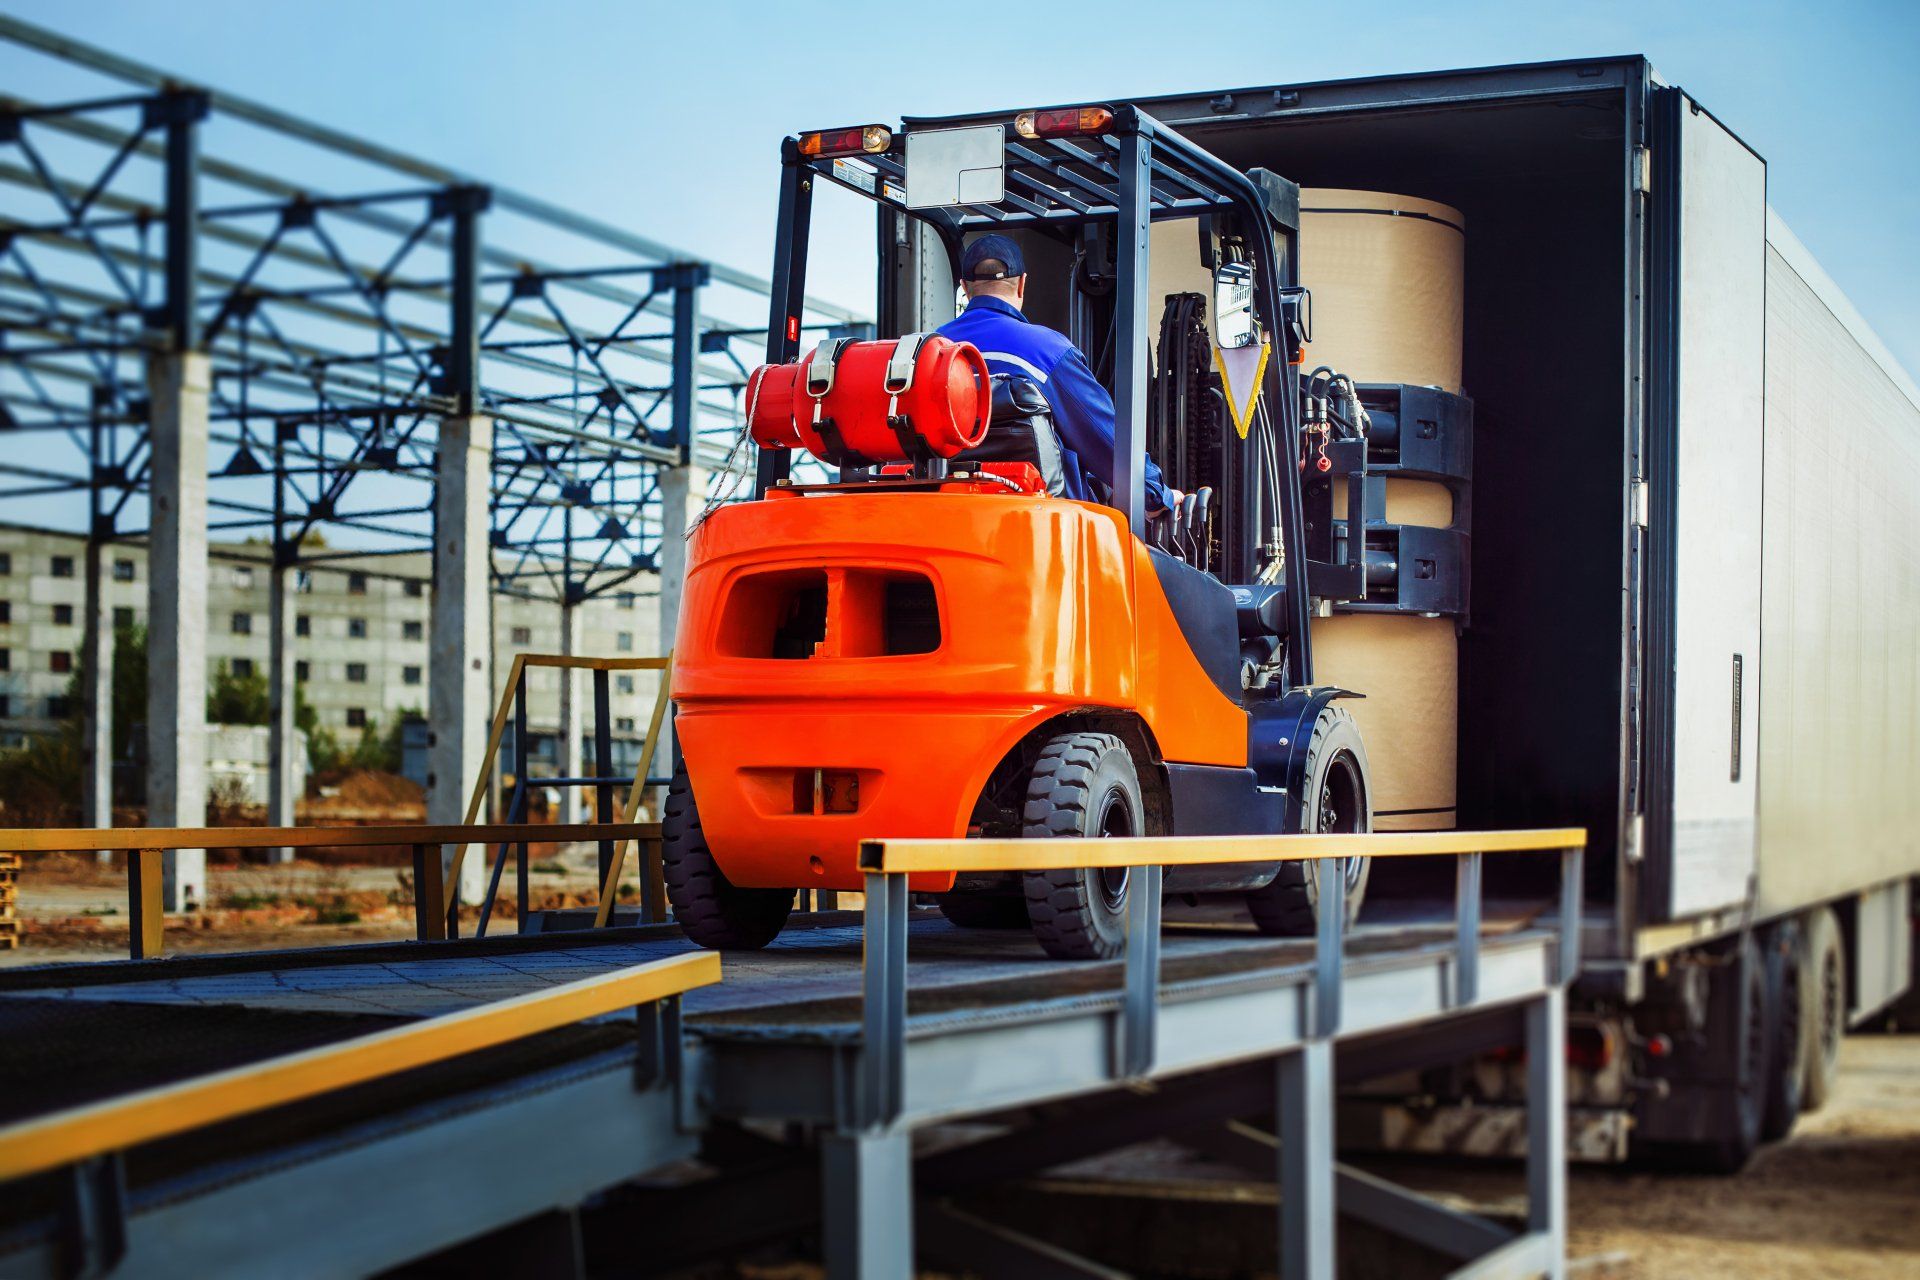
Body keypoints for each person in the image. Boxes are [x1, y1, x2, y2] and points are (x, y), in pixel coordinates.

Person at [936, 234, 1181, 518]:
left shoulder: (929, 355)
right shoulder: (1048, 353)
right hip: (1045, 531)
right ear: (1022, 284)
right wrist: (1155, 494)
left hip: (950, 521)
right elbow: (1107, 444)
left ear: (965, 288)